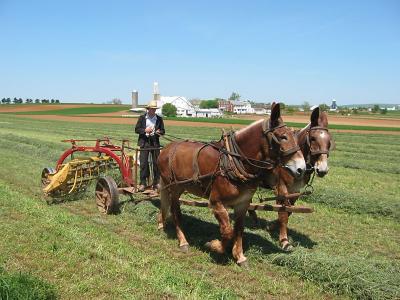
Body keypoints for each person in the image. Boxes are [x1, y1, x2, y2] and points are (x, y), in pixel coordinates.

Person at [135, 100, 165, 192]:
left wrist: (159, 132)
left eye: (155, 109)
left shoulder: (159, 119)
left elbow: (163, 131)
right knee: (144, 164)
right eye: (152, 109)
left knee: (156, 163)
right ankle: (143, 183)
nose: (153, 111)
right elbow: (137, 129)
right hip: (144, 143)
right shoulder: (142, 118)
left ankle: (156, 183)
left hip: (155, 143)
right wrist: (145, 130)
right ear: (148, 109)